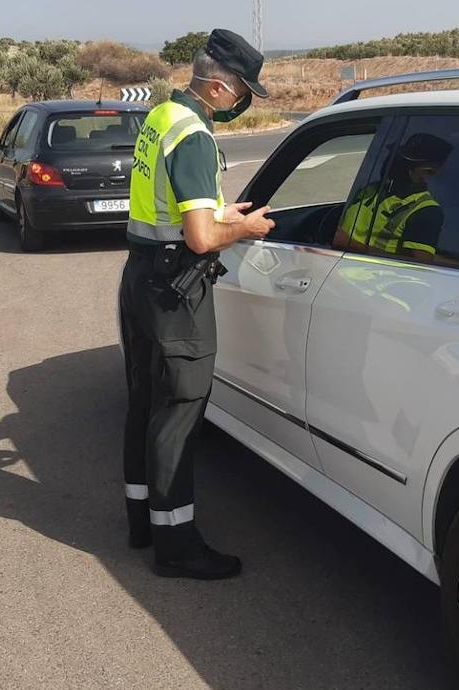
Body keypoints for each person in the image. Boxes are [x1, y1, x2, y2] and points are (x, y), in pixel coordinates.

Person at [121, 29, 275, 580]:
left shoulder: (163, 116)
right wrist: (245, 227)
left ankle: (142, 521)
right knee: (180, 411)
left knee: (146, 401)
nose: (243, 102)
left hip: (141, 275)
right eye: (242, 92)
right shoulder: (195, 137)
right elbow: (201, 241)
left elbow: (173, 209)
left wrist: (220, 212)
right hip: (174, 289)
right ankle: (177, 545)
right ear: (217, 86)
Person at [334, 132, 453, 261]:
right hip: (336, 265)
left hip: (375, 276)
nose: (398, 167)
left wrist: (349, 244)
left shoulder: (426, 210)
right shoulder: (371, 189)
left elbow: (419, 266)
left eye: (429, 172)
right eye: (398, 160)